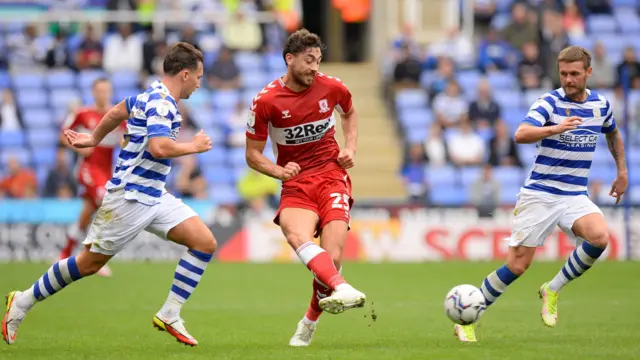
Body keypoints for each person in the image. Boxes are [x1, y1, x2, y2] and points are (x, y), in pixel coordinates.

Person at [3, 42, 216, 347]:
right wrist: (192, 146)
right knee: (89, 264)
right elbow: (158, 147)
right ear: (184, 74)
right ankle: (23, 301)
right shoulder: (161, 104)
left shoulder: (151, 94)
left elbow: (118, 110)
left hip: (154, 195)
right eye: (198, 76)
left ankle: (170, 313)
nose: (199, 82)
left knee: (204, 242)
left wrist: (93, 138)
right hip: (130, 197)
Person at [454, 46, 628, 342]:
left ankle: (552, 288)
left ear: (588, 72)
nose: (569, 80)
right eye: (563, 74)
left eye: (575, 74)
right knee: (518, 265)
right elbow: (520, 134)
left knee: (599, 237)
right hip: (540, 193)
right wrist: (554, 129)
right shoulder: (548, 103)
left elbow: (612, 132)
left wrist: (621, 172)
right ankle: (468, 319)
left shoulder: (601, 105)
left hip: (573, 195)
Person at [245, 29, 366, 347]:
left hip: (330, 176)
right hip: (296, 182)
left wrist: (350, 148)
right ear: (290, 59)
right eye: (309, 60)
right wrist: (278, 171)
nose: (315, 67)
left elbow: (350, 113)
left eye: (318, 61)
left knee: (333, 257)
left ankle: (309, 321)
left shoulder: (332, 87)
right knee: (295, 234)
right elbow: (253, 155)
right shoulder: (266, 101)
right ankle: (341, 287)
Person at [58, 78, 125, 278]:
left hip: (106, 171)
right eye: (100, 91)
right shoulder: (82, 113)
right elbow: (63, 133)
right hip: (88, 168)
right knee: (104, 201)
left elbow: (126, 137)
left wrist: (125, 143)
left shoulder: (117, 115)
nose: (103, 94)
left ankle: (65, 253)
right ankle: (92, 256)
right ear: (93, 93)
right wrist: (77, 149)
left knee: (87, 213)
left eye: (107, 90)